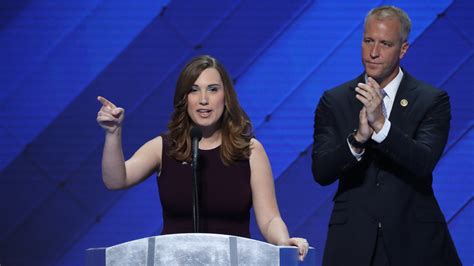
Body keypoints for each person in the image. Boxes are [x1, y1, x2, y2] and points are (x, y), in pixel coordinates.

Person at [97, 55, 309, 260]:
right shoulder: (163, 147)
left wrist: (284, 243)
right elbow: (116, 180)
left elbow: (270, 218)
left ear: (226, 97)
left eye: (213, 89)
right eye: (194, 90)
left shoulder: (250, 151)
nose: (204, 100)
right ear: (184, 98)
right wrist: (113, 133)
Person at [311, 5, 461, 266]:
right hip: (353, 242)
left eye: (385, 44)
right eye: (368, 41)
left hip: (415, 241)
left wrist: (382, 126)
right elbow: (321, 171)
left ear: (403, 49)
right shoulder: (335, 101)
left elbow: (423, 162)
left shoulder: (431, 100)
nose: (373, 52)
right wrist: (358, 139)